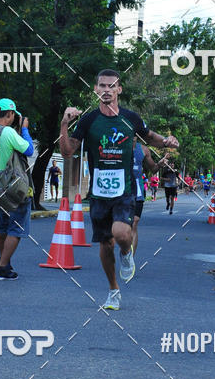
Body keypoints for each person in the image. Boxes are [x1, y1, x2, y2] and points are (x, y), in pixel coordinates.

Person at [60, 69, 179, 310]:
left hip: (124, 190)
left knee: (123, 234)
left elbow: (150, 137)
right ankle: (113, 290)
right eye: (101, 86)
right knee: (105, 244)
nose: (106, 90)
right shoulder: (89, 120)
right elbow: (67, 151)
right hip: (99, 192)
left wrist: (167, 141)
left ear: (118, 90)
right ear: (96, 90)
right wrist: (64, 123)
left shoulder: (130, 118)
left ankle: (127, 253)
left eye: (111, 86)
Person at [0, 98, 34, 280]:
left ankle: (5, 262)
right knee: (17, 227)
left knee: (2, 225)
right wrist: (25, 129)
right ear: (10, 114)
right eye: (13, 115)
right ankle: (2, 267)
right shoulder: (9, 132)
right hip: (14, 185)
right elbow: (29, 150)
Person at [132, 139, 166, 255]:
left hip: (137, 191)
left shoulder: (144, 150)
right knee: (120, 227)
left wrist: (160, 164)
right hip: (120, 191)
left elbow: (154, 168)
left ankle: (129, 258)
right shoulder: (116, 146)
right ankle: (124, 249)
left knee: (134, 223)